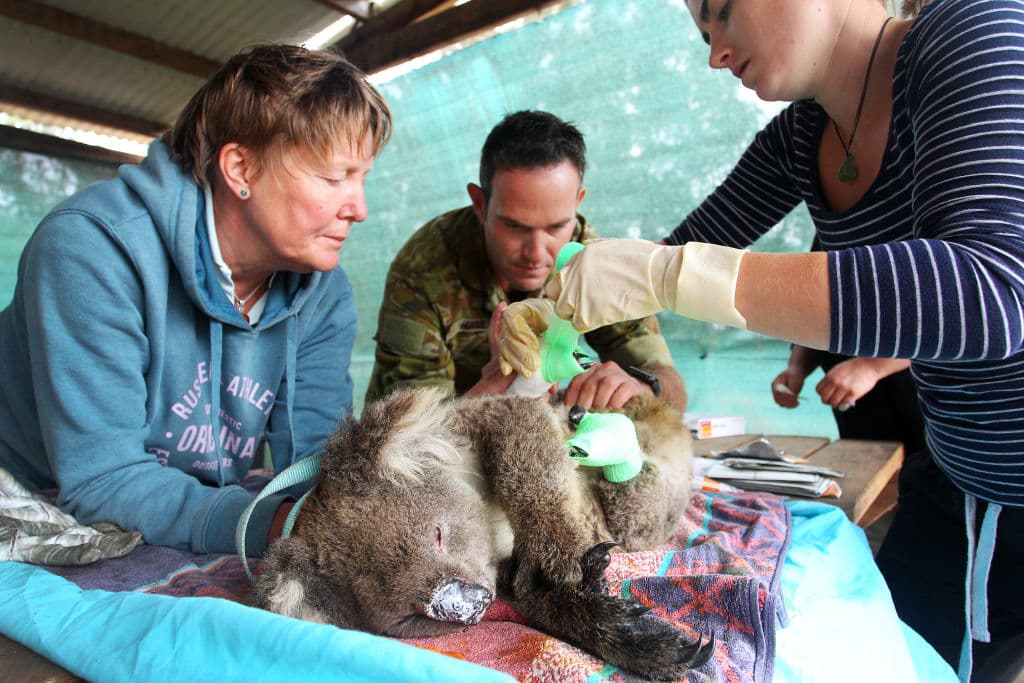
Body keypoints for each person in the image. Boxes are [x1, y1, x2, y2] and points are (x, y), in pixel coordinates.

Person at [503, 0, 1024, 679]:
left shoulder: (980, 31)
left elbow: (990, 291)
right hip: (957, 481)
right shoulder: (801, 139)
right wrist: (545, 308)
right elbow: (684, 249)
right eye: (702, 30)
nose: (716, 53)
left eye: (722, 12)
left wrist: (669, 275)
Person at [0, 44, 392, 557]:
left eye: (362, 177)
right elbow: (102, 477)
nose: (359, 208)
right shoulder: (92, 249)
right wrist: (269, 525)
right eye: (333, 177)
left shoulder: (323, 290)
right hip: (26, 488)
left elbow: (318, 463)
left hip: (162, 499)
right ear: (241, 169)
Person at [365, 110, 686, 411]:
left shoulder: (594, 261)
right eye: (515, 227)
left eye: (557, 226)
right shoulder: (423, 272)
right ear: (480, 204)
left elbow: (673, 391)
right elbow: (409, 441)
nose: (535, 253)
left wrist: (641, 387)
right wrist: (496, 388)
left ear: (578, 202)